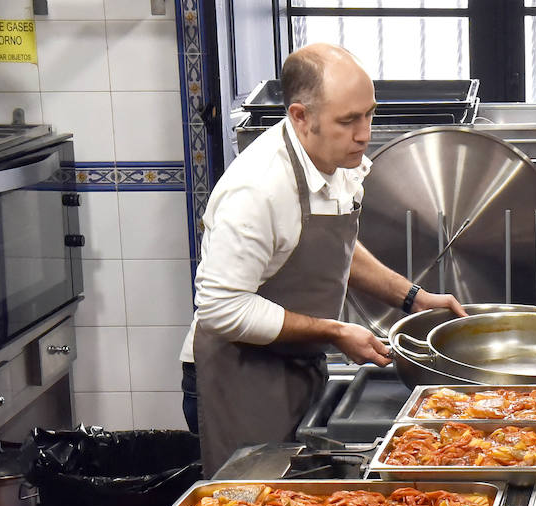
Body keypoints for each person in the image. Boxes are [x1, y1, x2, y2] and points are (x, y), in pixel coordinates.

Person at [179, 43, 463, 473]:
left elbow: (332, 251)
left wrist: (413, 297)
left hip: (297, 364)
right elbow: (221, 308)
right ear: (300, 116)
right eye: (348, 121)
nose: (365, 134)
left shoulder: (338, 158)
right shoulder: (258, 190)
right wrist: (333, 331)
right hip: (238, 375)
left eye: (369, 113)